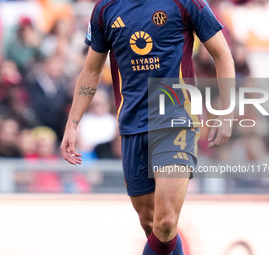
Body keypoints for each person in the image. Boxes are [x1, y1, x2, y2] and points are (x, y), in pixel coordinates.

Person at [61, 0, 235, 254]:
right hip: (132, 126)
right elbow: (90, 71)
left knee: (165, 222)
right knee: (151, 224)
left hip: (175, 119)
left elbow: (222, 54)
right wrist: (72, 124)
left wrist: (227, 112)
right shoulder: (105, 9)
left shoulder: (184, 2)